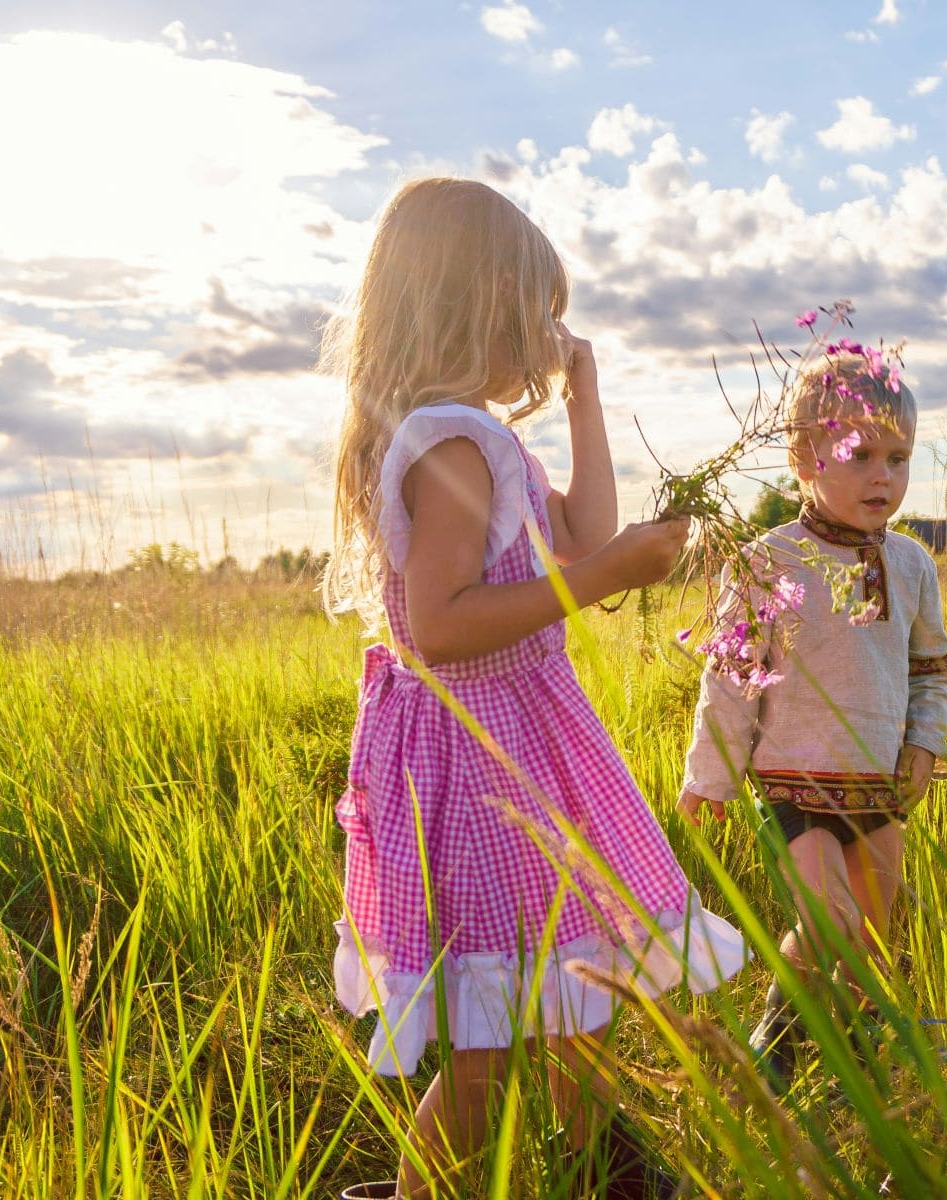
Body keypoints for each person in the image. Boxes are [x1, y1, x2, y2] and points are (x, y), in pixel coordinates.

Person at [322, 177, 745, 1199]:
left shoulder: (479, 434)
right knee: (488, 1054)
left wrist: (585, 403)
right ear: (478, 304)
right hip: (480, 761)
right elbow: (439, 626)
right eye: (538, 307)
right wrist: (602, 583)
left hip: (514, 743)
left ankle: (613, 1173)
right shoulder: (451, 441)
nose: (553, 331)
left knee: (573, 1005)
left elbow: (584, 534)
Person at [676, 347, 947, 1087]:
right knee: (827, 920)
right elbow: (732, 676)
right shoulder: (768, 560)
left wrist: (925, 745)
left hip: (880, 788)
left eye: (899, 458)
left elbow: (931, 669)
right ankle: (785, 1052)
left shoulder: (914, 565)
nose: (883, 477)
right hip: (792, 781)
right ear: (803, 457)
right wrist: (711, 775)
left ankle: (840, 1068)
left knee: (867, 937)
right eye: (860, 454)